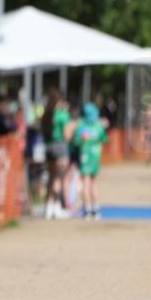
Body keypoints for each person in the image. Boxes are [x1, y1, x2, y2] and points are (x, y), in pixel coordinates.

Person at [41, 89, 73, 219]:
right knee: (59, 179)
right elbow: (67, 135)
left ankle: (49, 207)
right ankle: (56, 207)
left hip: (49, 147)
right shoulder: (63, 115)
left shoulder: (47, 114)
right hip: (60, 147)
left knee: (52, 178)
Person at [73, 102, 108, 219]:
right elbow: (104, 139)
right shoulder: (98, 127)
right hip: (96, 157)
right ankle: (96, 209)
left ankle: (87, 210)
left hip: (85, 157)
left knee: (86, 183)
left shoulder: (82, 126)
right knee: (94, 183)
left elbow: (77, 141)